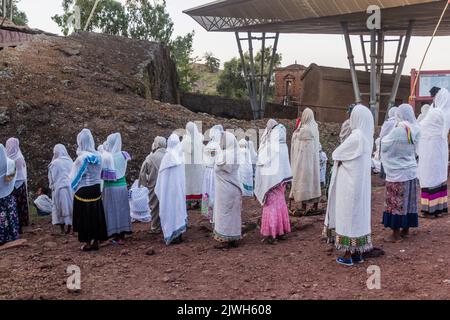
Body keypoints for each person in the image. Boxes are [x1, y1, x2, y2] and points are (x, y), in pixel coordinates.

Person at [324, 105, 374, 266]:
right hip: (361, 186)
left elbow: (337, 153)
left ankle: (347, 255)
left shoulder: (356, 136)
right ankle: (357, 253)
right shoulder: (367, 138)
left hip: (349, 186)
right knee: (359, 216)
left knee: (348, 216)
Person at [381, 104, 420, 242]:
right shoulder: (415, 129)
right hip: (411, 171)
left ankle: (395, 234)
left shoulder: (398, 130)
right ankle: (406, 230)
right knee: (409, 202)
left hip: (398, 173)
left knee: (395, 203)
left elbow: (385, 144)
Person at [255, 119, 293, 244]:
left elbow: (262, 164)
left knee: (270, 206)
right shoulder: (283, 145)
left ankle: (271, 234)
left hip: (271, 183)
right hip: (280, 182)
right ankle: (281, 230)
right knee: (280, 203)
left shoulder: (270, 147)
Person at [70, 129, 108, 252]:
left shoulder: (82, 158)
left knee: (85, 216)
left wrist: (72, 187)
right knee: (95, 215)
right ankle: (96, 240)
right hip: (96, 189)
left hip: (84, 190)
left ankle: (87, 242)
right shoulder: (99, 156)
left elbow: (75, 178)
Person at [418, 91, 449, 217]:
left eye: (436, 97)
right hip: (440, 147)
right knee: (438, 176)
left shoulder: (436, 113)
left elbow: (421, 126)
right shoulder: (446, 112)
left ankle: (430, 210)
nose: (434, 99)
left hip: (430, 148)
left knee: (429, 177)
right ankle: (439, 208)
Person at [100, 133, 132, 244]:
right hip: (122, 186)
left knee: (111, 210)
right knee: (122, 209)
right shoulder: (124, 155)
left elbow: (103, 174)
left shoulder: (107, 157)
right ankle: (122, 235)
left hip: (110, 187)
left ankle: (113, 234)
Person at [155, 134, 187, 245]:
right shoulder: (181, 157)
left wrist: (160, 189)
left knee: (170, 211)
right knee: (178, 210)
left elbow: (161, 178)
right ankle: (179, 235)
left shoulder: (168, 157)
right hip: (178, 191)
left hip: (168, 192)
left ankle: (173, 235)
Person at [213, 131, 243, 249]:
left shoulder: (225, 154)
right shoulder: (236, 153)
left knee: (225, 214)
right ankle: (233, 238)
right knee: (233, 215)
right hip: (234, 188)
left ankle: (225, 240)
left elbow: (219, 166)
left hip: (225, 190)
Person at [290, 108, 321, 214]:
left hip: (303, 162)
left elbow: (296, 138)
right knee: (314, 182)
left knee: (304, 182)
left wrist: (296, 131)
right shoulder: (315, 127)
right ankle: (315, 205)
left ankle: (304, 206)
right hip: (313, 161)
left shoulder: (305, 129)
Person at [139, 136, 167, 233]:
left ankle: (155, 227)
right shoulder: (169, 155)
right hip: (167, 186)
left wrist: (144, 184)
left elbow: (142, 173)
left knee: (154, 206)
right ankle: (167, 225)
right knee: (167, 205)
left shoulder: (150, 157)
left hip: (154, 185)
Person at [48, 144, 73, 234]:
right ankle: (69, 227)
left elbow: (52, 177)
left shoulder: (54, 163)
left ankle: (62, 229)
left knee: (60, 208)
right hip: (70, 188)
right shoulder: (70, 161)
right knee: (69, 206)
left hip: (59, 188)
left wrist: (52, 186)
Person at [5, 138, 29, 234]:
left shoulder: (9, 159)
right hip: (20, 184)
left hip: (13, 186)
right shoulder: (19, 157)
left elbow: (10, 176)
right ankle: (20, 226)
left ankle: (16, 227)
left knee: (14, 206)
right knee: (20, 206)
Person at [0, 144, 19, 246]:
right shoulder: (10, 163)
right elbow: (10, 179)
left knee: (1, 216)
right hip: (8, 193)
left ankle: (2, 237)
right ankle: (12, 235)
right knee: (10, 214)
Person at [183, 122, 205, 209]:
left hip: (188, 166)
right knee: (197, 183)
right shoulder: (199, 140)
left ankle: (188, 203)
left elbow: (184, 150)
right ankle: (197, 202)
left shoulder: (186, 140)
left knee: (188, 183)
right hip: (197, 166)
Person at [201, 129, 220, 223]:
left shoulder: (208, 145)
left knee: (207, 190)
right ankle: (215, 216)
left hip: (207, 171)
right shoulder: (217, 146)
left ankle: (208, 214)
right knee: (214, 191)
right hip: (214, 171)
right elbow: (216, 159)